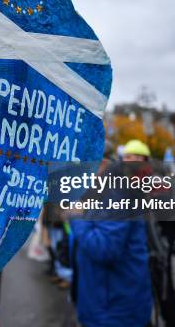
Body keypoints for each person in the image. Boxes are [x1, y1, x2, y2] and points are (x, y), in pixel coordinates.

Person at [70, 139, 152, 327]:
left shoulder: (117, 194)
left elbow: (103, 249)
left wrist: (76, 217)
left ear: (103, 164)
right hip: (103, 301)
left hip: (114, 309)